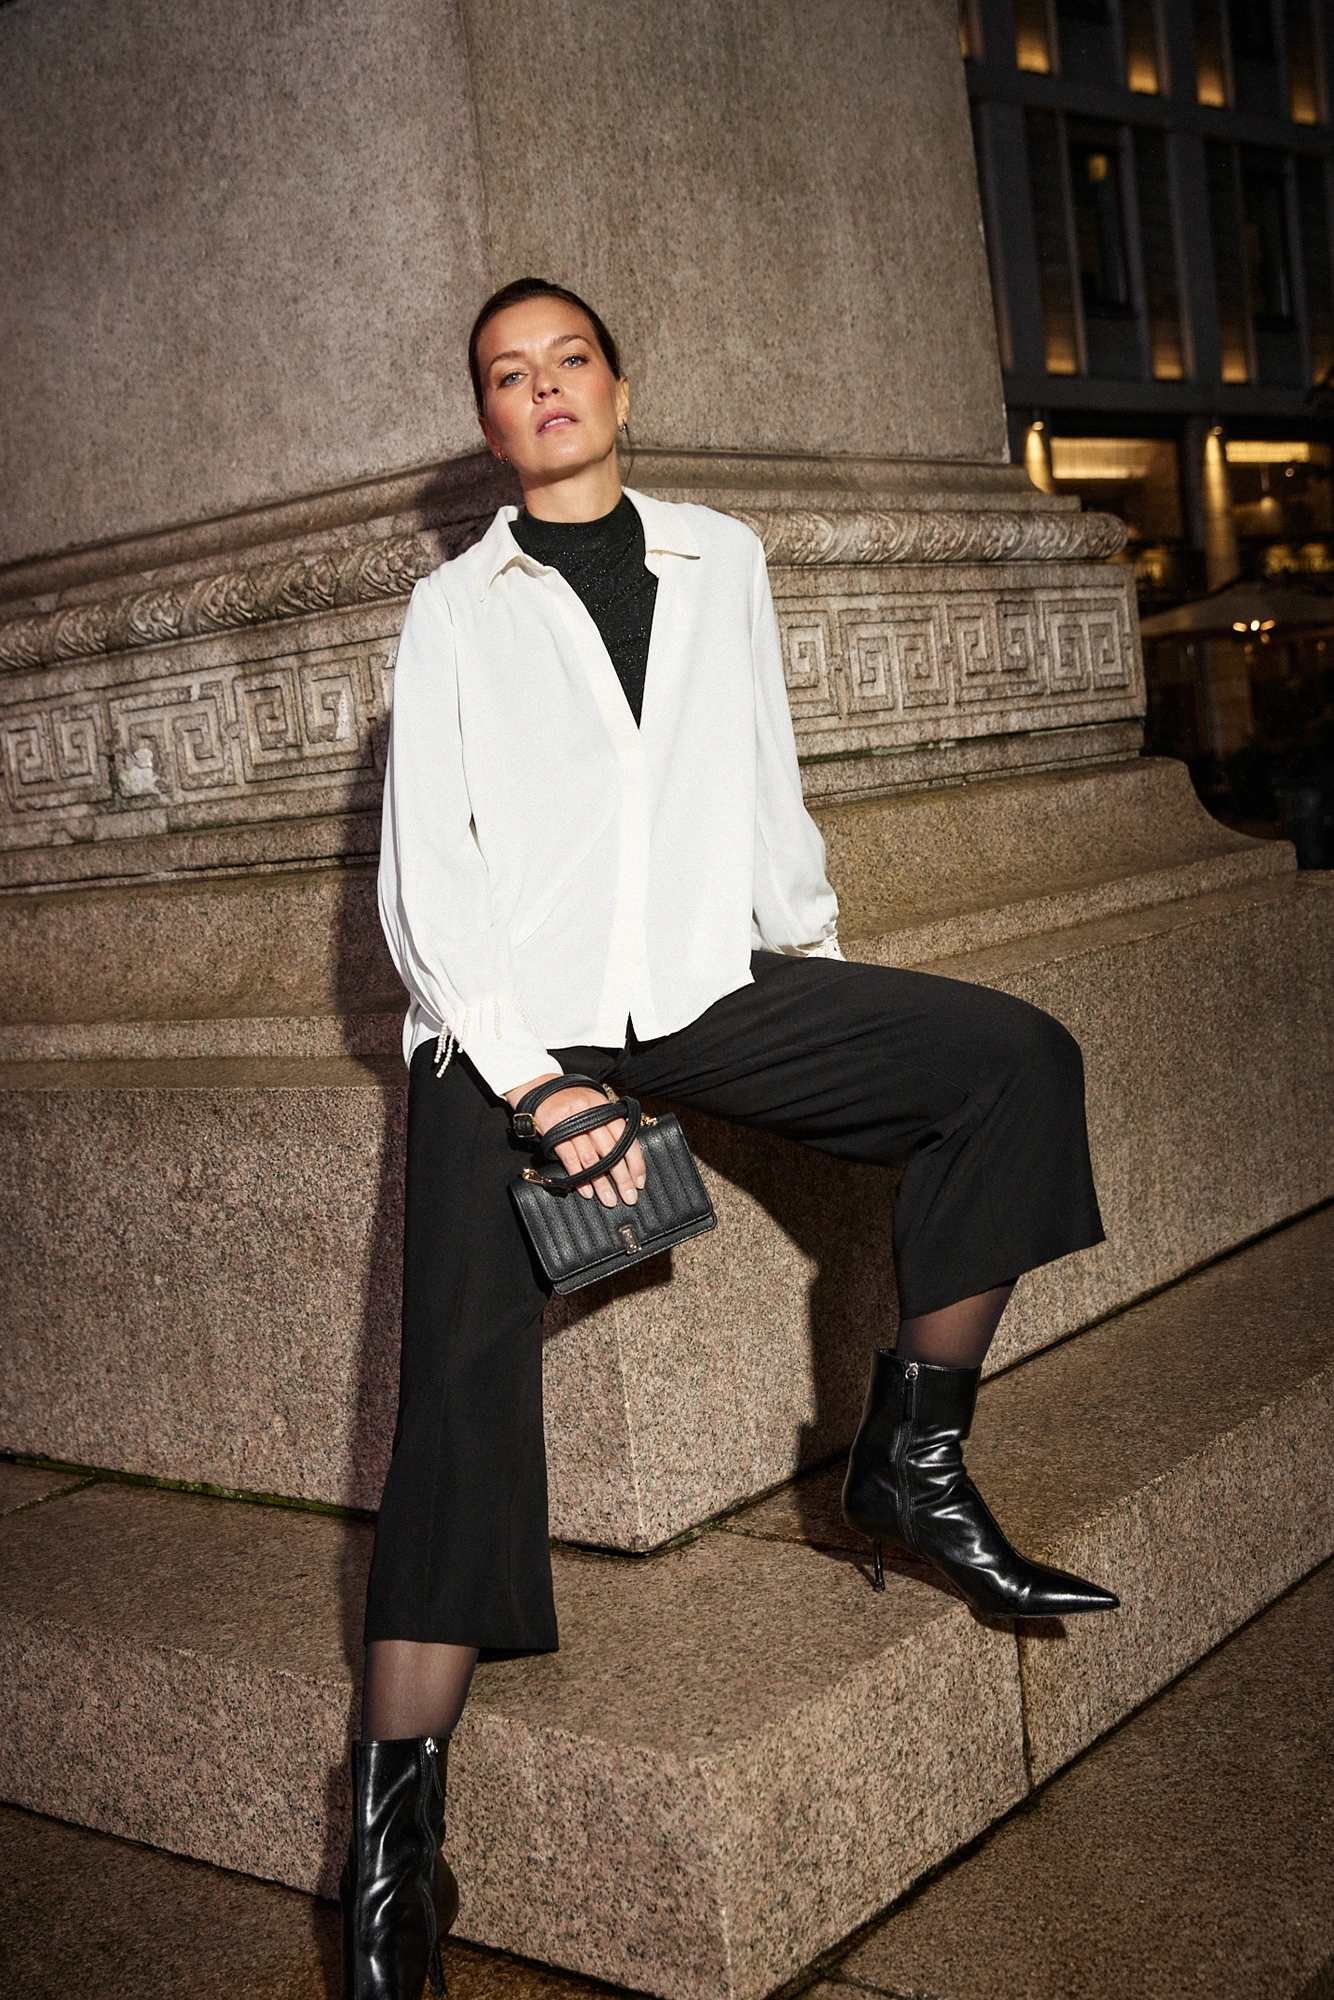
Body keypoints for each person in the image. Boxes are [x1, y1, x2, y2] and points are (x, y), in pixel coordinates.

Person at [340, 277, 1118, 2000]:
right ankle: (393, 1838)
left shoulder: (719, 558)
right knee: (455, 1378)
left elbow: (765, 787)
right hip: (511, 1019)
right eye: (507, 376)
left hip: (701, 986)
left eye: (568, 361)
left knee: (1012, 1059)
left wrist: (820, 996)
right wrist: (533, 1081)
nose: (543, 389)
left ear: (619, 389)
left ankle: (908, 1463)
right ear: (488, 423)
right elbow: (427, 880)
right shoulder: (453, 610)